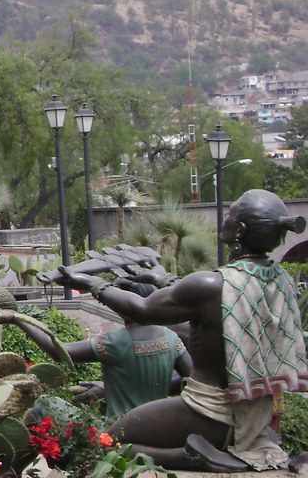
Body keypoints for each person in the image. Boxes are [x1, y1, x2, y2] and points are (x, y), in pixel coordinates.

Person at [58, 189, 308, 471]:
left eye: (230, 215)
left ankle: (190, 456)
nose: (224, 220)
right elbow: (215, 304)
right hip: (254, 417)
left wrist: (93, 284)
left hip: (209, 414)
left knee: (107, 441)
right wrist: (164, 278)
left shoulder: (213, 285)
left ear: (240, 230)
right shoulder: (282, 282)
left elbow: (142, 309)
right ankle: (199, 452)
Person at [16, 279, 193, 419]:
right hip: (158, 427)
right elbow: (192, 378)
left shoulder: (116, 342)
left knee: (44, 404)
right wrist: (111, 388)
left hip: (118, 432)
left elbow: (59, 351)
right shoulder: (170, 338)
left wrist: (17, 317)